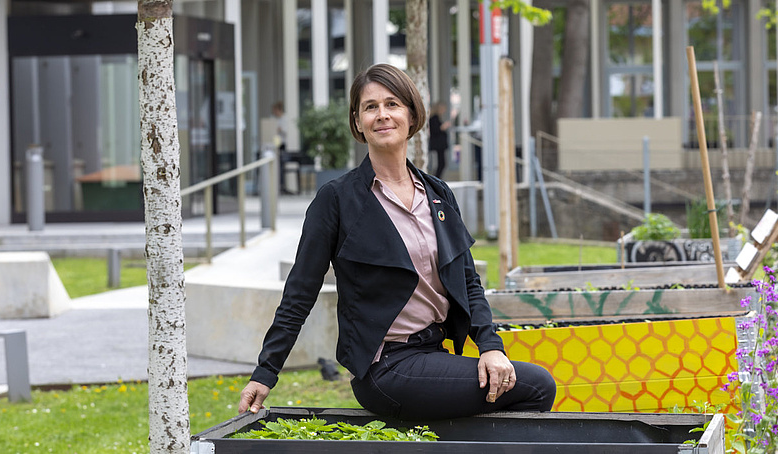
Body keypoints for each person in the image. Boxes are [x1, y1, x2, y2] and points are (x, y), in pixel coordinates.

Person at [238, 63, 556, 421]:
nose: (382, 115)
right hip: (387, 368)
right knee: (537, 385)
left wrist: (490, 348)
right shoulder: (338, 200)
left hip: (434, 354)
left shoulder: (437, 193)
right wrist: (266, 372)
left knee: (514, 384)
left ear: (411, 114)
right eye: (370, 107)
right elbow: (300, 292)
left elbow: (468, 282)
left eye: (392, 104)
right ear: (358, 122)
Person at [428, 102, 452, 178]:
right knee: (441, 163)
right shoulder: (434, 118)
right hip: (438, 144)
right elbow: (435, 129)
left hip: (439, 144)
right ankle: (437, 178)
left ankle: (437, 178)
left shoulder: (437, 117)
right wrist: (443, 127)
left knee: (442, 163)